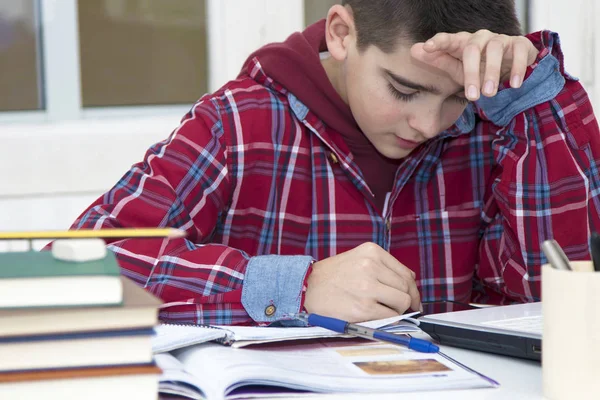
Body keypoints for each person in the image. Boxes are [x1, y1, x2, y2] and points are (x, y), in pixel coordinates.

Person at [69, 0, 600, 326]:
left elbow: (558, 294)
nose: (430, 124)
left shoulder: (495, 128)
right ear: (342, 34)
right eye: (404, 89)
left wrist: (534, 99)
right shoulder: (237, 124)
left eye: (456, 98)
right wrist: (293, 288)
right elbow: (81, 266)